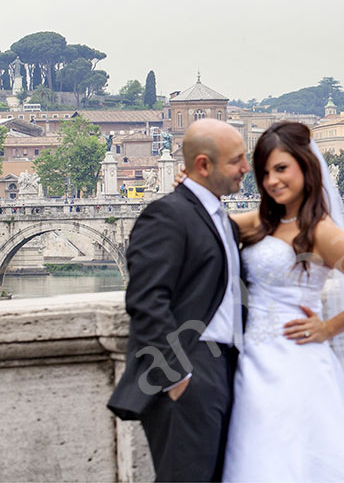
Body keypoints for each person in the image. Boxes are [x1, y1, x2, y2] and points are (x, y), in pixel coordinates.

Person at [221, 122, 344, 481]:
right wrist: (190, 189)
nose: (272, 181)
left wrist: (328, 327)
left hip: (297, 359)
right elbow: (212, 225)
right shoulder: (263, 222)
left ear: (305, 166)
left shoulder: (324, 233)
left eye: (281, 168)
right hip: (252, 360)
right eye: (265, 172)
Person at [107, 119, 251, 481]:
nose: (245, 169)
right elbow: (145, 299)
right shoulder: (167, 215)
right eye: (237, 160)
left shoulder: (222, 220)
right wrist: (177, 377)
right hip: (190, 368)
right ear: (204, 165)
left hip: (226, 365)